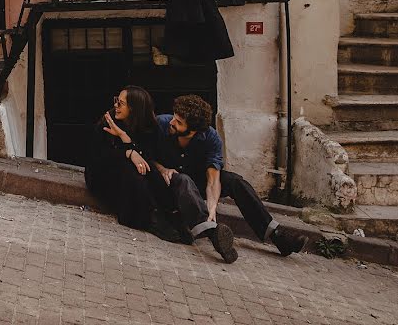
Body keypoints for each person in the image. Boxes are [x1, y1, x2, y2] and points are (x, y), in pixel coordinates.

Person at [150, 95, 308, 263]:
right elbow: (144, 155)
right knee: (182, 179)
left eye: (179, 122)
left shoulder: (211, 139)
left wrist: (211, 208)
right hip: (168, 184)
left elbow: (212, 179)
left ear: (194, 130)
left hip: (194, 183)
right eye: (175, 117)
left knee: (235, 181)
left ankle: (276, 235)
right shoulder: (161, 124)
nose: (172, 122)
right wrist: (162, 168)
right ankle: (213, 234)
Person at [84, 86, 171, 235]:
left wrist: (125, 139)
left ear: (133, 108)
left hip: (130, 176)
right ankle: (145, 219)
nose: (116, 106)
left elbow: (147, 156)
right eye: (117, 101)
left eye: (121, 103)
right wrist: (129, 153)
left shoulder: (149, 126)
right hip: (102, 175)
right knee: (130, 170)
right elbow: (101, 158)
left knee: (149, 169)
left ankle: (171, 215)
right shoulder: (109, 121)